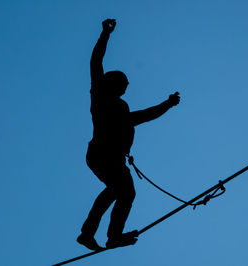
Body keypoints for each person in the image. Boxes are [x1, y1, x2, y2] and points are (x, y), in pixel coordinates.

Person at [77, 19, 181, 251]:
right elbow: (96, 62)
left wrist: (167, 104)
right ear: (114, 84)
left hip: (108, 157)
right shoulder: (101, 97)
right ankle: (107, 235)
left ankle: (94, 234)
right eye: (124, 84)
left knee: (118, 191)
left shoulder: (120, 109)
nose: (127, 88)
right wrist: (105, 34)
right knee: (123, 190)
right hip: (103, 155)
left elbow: (144, 116)